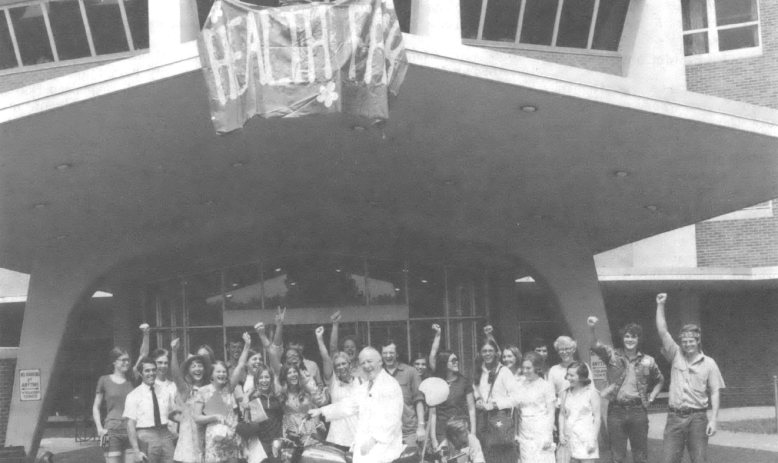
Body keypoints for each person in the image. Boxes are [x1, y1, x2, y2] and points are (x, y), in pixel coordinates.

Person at [656, 293, 724, 463]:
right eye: (684, 341)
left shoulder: (709, 363)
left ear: (698, 341)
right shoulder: (675, 355)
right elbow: (663, 331)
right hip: (675, 418)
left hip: (698, 419)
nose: (687, 344)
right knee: (669, 460)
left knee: (699, 460)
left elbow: (715, 391)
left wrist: (714, 420)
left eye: (691, 341)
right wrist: (660, 305)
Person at [309, 347, 405, 463]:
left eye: (369, 361)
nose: (366, 366)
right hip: (366, 443)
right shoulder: (365, 387)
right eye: (363, 363)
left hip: (384, 443)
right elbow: (348, 405)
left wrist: (374, 439)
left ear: (380, 362)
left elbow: (392, 417)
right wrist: (321, 411)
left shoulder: (389, 384)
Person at [588, 316, 664, 463]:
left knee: (640, 456)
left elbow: (660, 380)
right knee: (617, 456)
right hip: (616, 411)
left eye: (633, 337)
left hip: (638, 411)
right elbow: (595, 344)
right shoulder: (611, 355)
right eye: (627, 336)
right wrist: (591, 328)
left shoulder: (648, 360)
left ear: (638, 339)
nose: (630, 340)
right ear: (622, 338)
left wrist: (652, 397)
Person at [473, 337, 520, 463]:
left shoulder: (504, 371)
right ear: (480, 353)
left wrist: (495, 405)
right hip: (483, 419)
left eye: (490, 350)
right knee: (487, 454)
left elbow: (516, 398)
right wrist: (478, 399)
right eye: (484, 351)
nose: (487, 354)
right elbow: (476, 389)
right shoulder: (478, 371)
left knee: (504, 456)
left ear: (496, 353)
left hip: (500, 418)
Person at [315, 324, 361, 451]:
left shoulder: (361, 381)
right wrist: (319, 338)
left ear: (350, 364)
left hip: (358, 436)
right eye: (338, 365)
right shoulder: (332, 382)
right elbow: (325, 358)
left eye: (343, 363)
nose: (341, 367)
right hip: (337, 438)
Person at [124, 356, 176, 463]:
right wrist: (136, 450)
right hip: (145, 435)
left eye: (153, 370)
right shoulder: (133, 395)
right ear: (140, 373)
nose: (151, 373)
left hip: (165, 434)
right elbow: (130, 424)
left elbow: (172, 414)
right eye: (147, 370)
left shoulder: (165, 391)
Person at [169, 338, 210, 463]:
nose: (197, 369)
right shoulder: (186, 389)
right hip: (189, 437)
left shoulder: (209, 388)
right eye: (193, 366)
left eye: (200, 365)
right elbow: (175, 375)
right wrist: (174, 352)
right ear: (188, 371)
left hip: (206, 435)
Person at [194, 361, 243, 463]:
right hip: (214, 441)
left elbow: (240, 366)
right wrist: (214, 417)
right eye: (218, 372)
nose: (221, 374)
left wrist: (247, 346)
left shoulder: (229, 388)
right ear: (211, 374)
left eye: (224, 372)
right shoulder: (203, 391)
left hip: (231, 439)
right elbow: (197, 418)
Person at [93, 347, 137, 463]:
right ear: (114, 362)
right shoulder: (104, 380)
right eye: (123, 360)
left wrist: (146, 334)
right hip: (112, 430)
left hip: (131, 429)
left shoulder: (132, 379)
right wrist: (99, 428)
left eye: (128, 360)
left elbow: (143, 354)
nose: (127, 362)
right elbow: (96, 406)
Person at [381, 338, 426, 449]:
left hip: (408, 431)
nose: (388, 355)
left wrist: (421, 426)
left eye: (391, 352)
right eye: (385, 353)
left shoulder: (410, 372)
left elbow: (419, 400)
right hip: (385, 432)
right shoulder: (378, 374)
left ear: (397, 354)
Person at [429, 349, 476, 449]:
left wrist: (473, 434)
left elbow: (471, 409)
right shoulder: (435, 383)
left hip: (461, 429)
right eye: (453, 360)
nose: (456, 362)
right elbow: (433, 413)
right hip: (442, 431)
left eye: (457, 360)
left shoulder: (464, 382)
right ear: (443, 363)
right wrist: (433, 438)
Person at [516, 352, 555, 463]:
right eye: (523, 368)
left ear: (537, 368)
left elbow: (551, 412)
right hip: (524, 432)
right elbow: (517, 410)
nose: (525, 371)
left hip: (541, 431)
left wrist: (548, 435)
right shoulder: (519, 385)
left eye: (528, 368)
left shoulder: (546, 386)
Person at [277, 362, 328, 448]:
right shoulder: (281, 394)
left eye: (295, 371)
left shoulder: (307, 391)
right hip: (292, 433)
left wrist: (317, 429)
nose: (293, 374)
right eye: (289, 373)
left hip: (309, 432)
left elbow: (315, 409)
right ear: (284, 377)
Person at [558, 362, 600, 463]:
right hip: (570, 438)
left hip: (587, 439)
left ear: (581, 377)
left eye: (572, 375)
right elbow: (562, 414)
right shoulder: (564, 393)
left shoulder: (592, 393)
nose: (568, 378)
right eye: (567, 374)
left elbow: (597, 418)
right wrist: (561, 433)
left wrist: (593, 440)